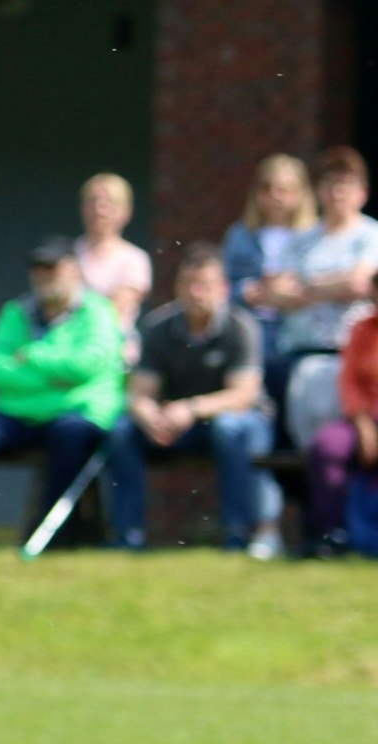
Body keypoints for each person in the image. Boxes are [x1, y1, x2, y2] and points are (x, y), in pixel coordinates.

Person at [103, 243, 279, 557]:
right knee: (122, 431)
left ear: (223, 289)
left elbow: (243, 395)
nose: (196, 293)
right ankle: (128, 535)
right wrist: (151, 417)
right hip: (177, 425)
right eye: (188, 284)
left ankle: (237, 534)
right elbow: (139, 393)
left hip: (240, 423)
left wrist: (191, 408)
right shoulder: (158, 327)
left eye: (205, 285)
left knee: (228, 427)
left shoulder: (241, 326)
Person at [0, 237, 123, 542]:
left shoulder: (97, 311)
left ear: (74, 270)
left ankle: (48, 536)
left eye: (52, 268)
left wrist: (32, 356)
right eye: (38, 269)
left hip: (74, 414)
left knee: (71, 435)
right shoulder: (16, 312)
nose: (44, 276)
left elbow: (89, 364)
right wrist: (55, 376)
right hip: (18, 415)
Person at [246, 147, 378, 450]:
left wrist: (304, 286)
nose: (337, 193)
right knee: (288, 443)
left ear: (362, 192)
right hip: (298, 353)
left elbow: (360, 283)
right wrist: (335, 285)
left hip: (349, 355)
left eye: (345, 185)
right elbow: (274, 292)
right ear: (318, 191)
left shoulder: (370, 234)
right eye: (330, 184)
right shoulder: (302, 239)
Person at [225, 153, 318, 369]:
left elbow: (322, 281)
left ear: (301, 193)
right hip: (251, 332)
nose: (275, 196)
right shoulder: (241, 235)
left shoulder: (314, 236)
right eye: (267, 188)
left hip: (299, 336)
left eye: (284, 189)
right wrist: (247, 290)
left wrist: (290, 291)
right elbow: (223, 284)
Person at [306, 308, 378, 557]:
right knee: (328, 445)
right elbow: (349, 382)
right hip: (364, 418)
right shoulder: (362, 329)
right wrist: (363, 424)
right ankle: (332, 533)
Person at [75, 172, 153, 337]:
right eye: (93, 202)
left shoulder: (135, 259)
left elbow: (116, 309)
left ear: (126, 211)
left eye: (110, 203)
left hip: (115, 344)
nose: (100, 210)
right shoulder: (69, 253)